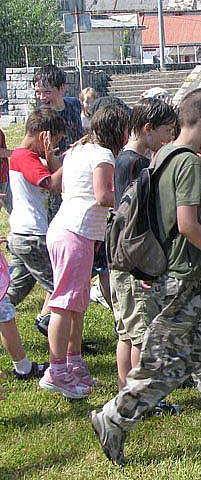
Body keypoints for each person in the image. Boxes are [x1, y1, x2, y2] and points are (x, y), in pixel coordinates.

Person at [90, 88, 201, 467]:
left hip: (186, 279)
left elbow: (173, 213)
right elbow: (188, 224)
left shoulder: (164, 155)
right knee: (166, 365)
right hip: (182, 281)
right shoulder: (188, 162)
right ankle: (112, 419)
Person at [39, 105, 130, 399]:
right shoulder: (103, 155)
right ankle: (56, 371)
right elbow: (104, 196)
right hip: (75, 233)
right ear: (118, 130)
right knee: (64, 305)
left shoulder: (80, 151)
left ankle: (74, 365)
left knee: (76, 305)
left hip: (70, 230)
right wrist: (132, 200)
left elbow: (63, 184)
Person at [109, 98, 177, 414]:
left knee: (127, 332)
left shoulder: (124, 160)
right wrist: (146, 269)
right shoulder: (137, 166)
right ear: (148, 130)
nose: (169, 139)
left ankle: (128, 393)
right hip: (135, 262)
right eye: (166, 132)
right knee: (142, 337)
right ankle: (143, 401)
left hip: (120, 260)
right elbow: (140, 220)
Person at [5, 109, 65, 339]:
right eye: (53, 141)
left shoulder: (22, 155)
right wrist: (73, 162)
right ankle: (67, 348)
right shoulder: (25, 158)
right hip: (33, 236)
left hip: (22, 234)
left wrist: (51, 156)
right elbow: (52, 184)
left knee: (12, 292)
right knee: (62, 290)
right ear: (44, 136)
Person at [33, 65, 85, 156]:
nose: (41, 97)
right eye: (38, 92)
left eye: (47, 92)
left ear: (61, 88)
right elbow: (33, 154)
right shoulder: (39, 118)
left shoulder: (74, 104)